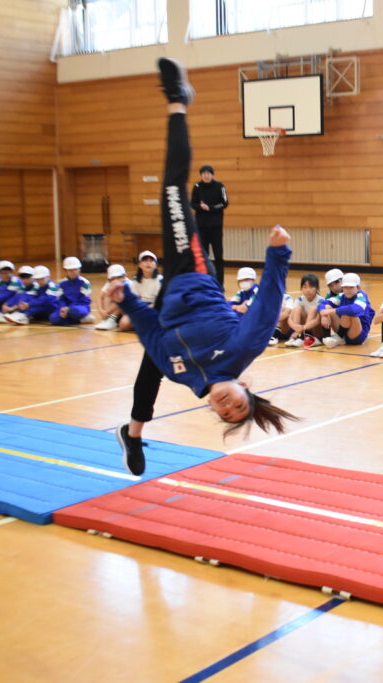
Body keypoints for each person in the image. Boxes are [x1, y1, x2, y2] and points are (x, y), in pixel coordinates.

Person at [115, 57, 297, 476]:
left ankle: (134, 432)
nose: (228, 406)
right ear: (245, 386)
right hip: (192, 273)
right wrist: (278, 254)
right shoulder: (240, 351)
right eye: (239, 404)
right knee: (172, 187)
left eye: (227, 413)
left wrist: (124, 296)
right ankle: (178, 102)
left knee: (153, 361)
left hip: (168, 301)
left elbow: (152, 331)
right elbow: (267, 308)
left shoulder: (184, 376)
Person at [191, 164, 228, 284]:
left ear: (212, 174)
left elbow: (225, 203)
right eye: (204, 173)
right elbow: (193, 204)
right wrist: (200, 207)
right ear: (201, 175)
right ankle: (205, 283)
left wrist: (210, 208)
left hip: (216, 227)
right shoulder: (197, 186)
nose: (206, 175)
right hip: (201, 227)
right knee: (203, 257)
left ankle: (220, 284)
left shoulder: (219, 186)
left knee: (218, 257)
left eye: (208, 173)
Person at [318, 273, 374, 349]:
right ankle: (327, 337)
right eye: (345, 287)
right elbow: (323, 303)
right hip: (344, 332)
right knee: (327, 307)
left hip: (358, 335)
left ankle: (340, 337)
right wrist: (323, 315)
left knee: (347, 312)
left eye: (351, 287)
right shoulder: (341, 296)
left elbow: (354, 309)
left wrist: (331, 311)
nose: (348, 290)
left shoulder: (362, 296)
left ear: (358, 288)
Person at [284, 273, 325, 347]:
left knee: (313, 309)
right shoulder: (299, 299)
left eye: (311, 287)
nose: (308, 290)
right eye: (305, 287)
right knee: (297, 309)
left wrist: (303, 328)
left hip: (317, 331)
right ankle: (299, 336)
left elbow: (317, 320)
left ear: (317, 288)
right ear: (301, 288)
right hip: (301, 329)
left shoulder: (321, 301)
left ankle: (303, 336)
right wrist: (295, 327)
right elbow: (289, 317)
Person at [50, 256, 94, 325]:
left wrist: (69, 309)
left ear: (79, 269)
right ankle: (80, 320)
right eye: (70, 270)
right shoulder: (62, 283)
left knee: (76, 311)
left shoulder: (85, 282)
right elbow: (61, 299)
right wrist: (63, 308)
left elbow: (84, 299)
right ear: (66, 270)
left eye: (75, 269)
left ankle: (74, 317)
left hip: (80, 306)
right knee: (53, 318)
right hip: (66, 307)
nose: (73, 272)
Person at [95, 264, 130, 330]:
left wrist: (107, 312)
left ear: (125, 276)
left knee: (123, 300)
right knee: (106, 294)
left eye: (118, 277)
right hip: (112, 313)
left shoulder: (128, 284)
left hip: (126, 314)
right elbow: (99, 296)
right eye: (113, 278)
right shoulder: (110, 283)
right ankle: (107, 319)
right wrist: (101, 311)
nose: (115, 280)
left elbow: (119, 302)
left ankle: (111, 319)